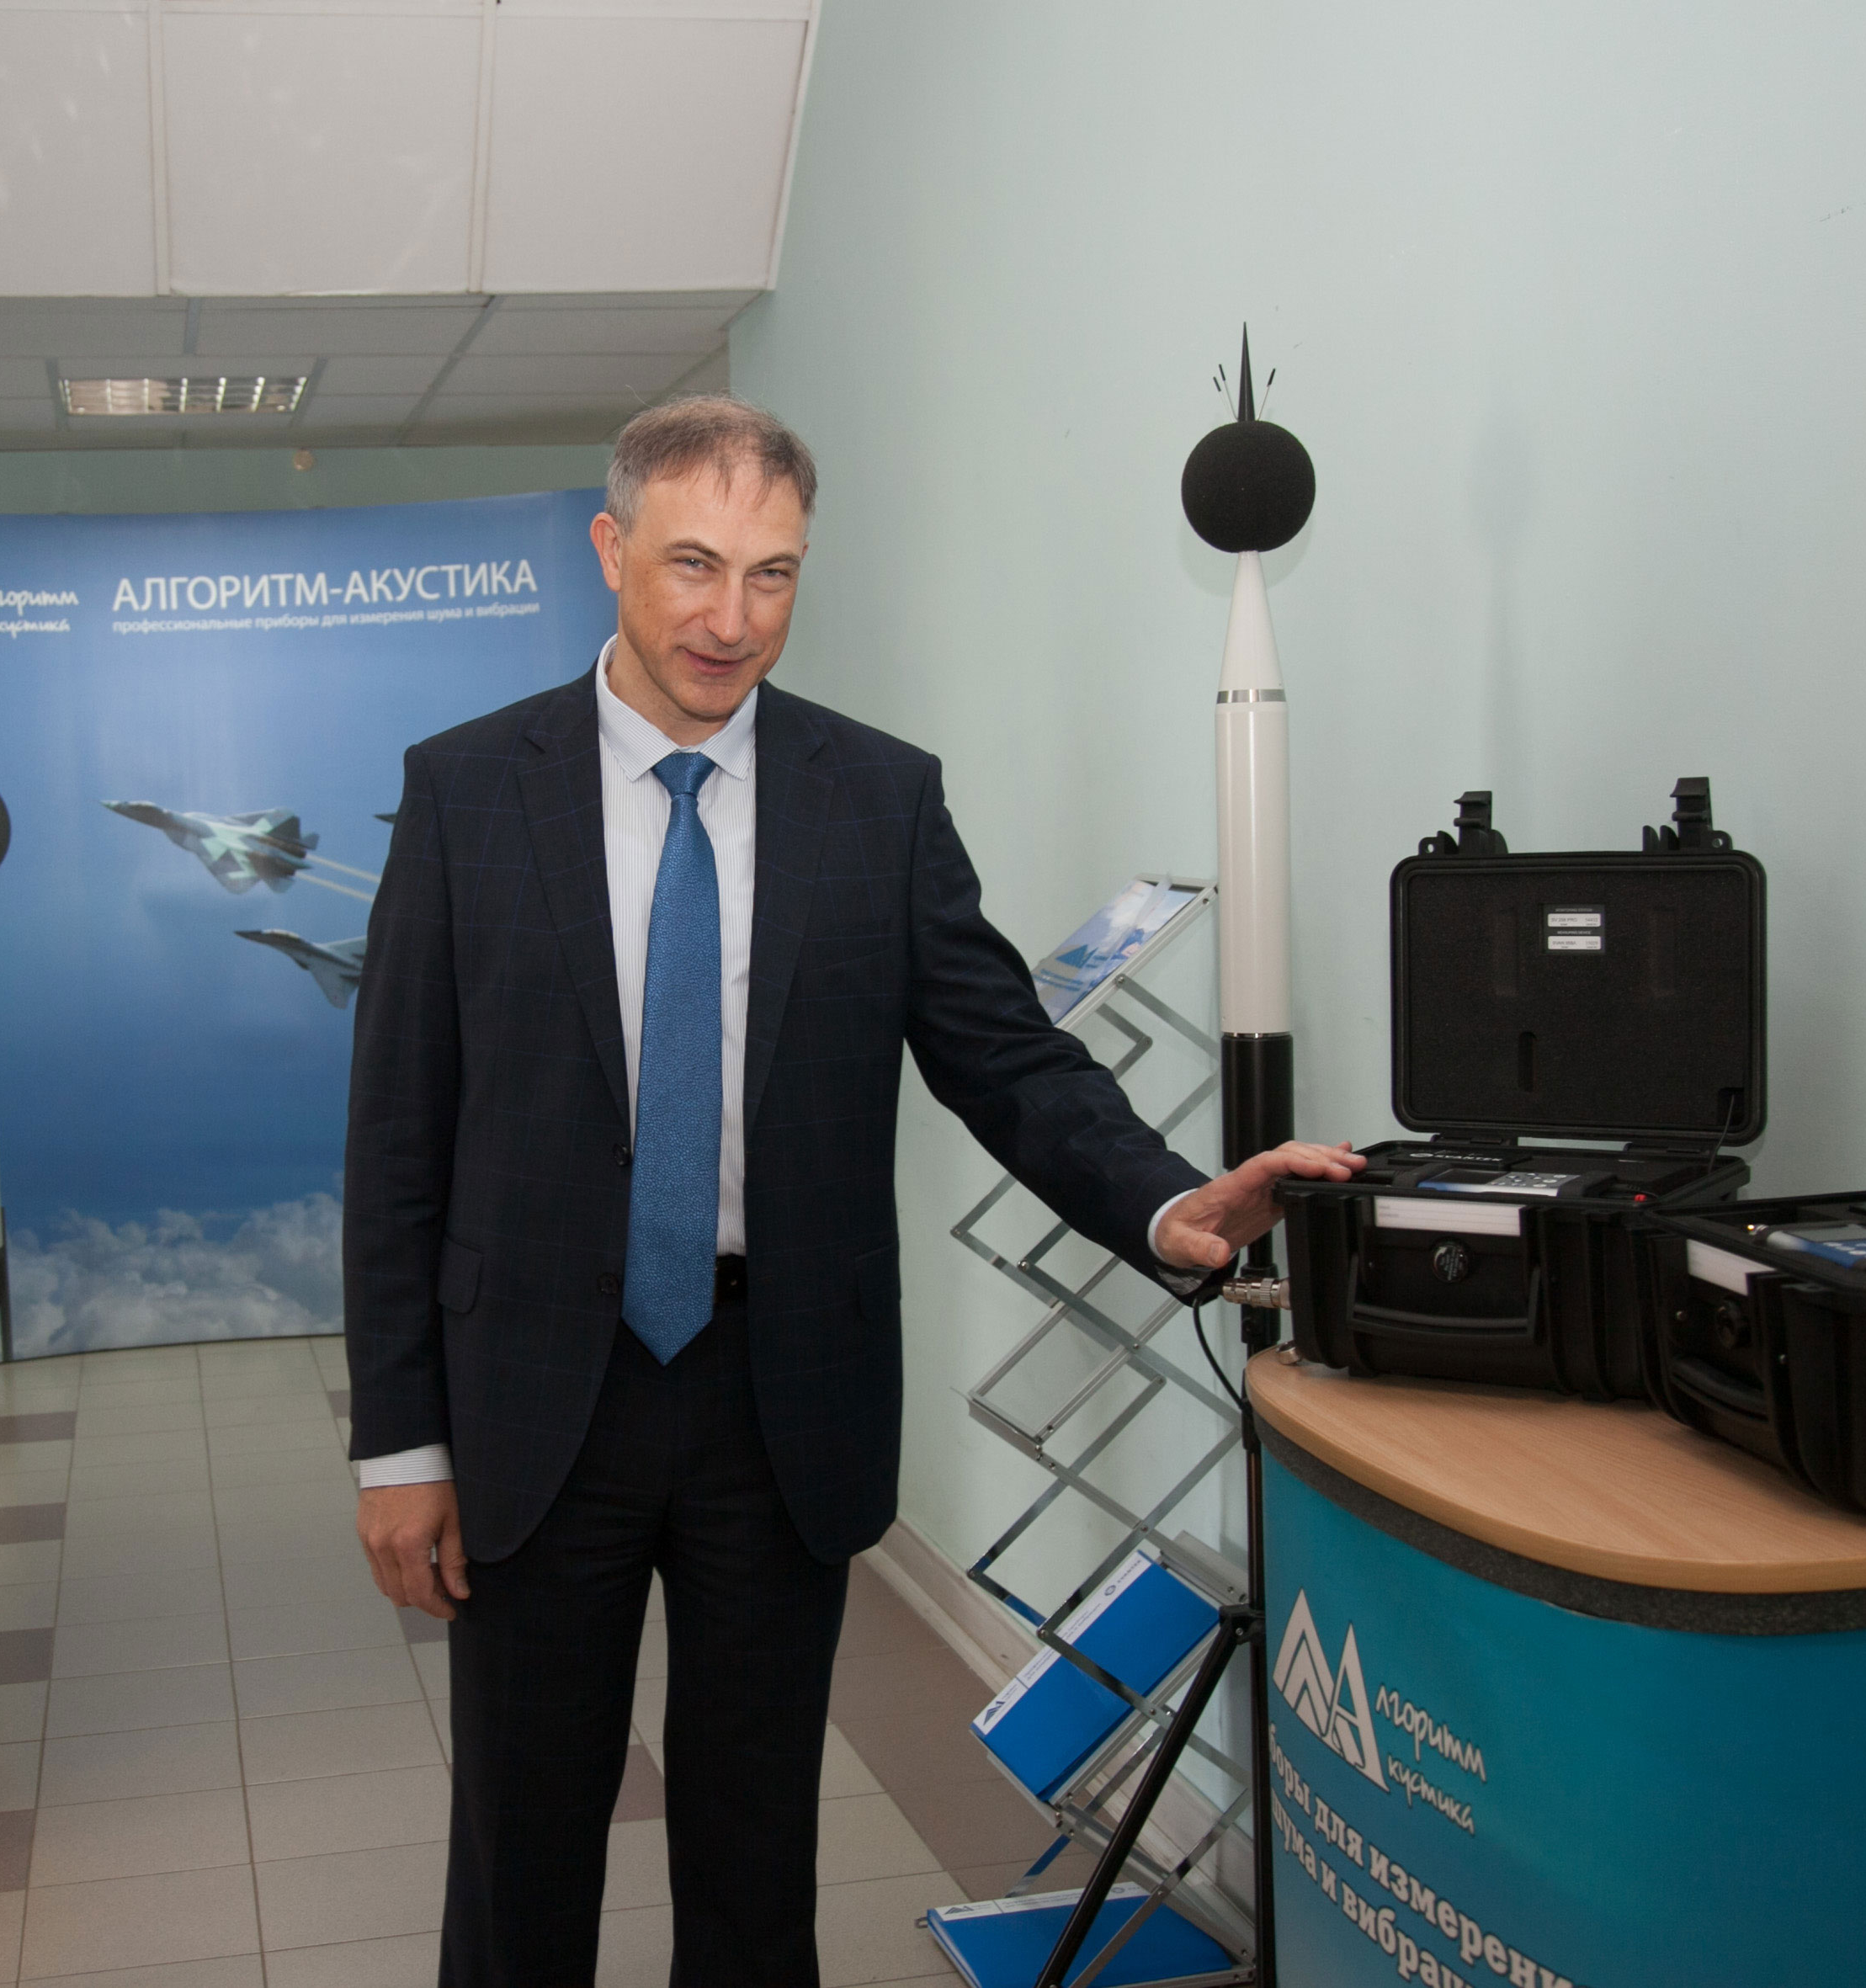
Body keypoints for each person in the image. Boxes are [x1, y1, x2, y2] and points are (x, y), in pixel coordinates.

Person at [345, 396, 1366, 1985]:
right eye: (693, 564)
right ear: (610, 548)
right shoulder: (470, 789)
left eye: (773, 574)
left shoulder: (875, 798)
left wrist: (1170, 1205)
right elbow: (398, 1136)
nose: (730, 618)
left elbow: (1005, 1054)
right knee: (521, 1851)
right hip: (537, 1397)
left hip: (780, 1401)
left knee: (757, 1859)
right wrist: (401, 1443)